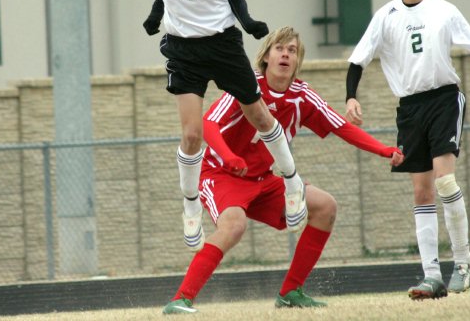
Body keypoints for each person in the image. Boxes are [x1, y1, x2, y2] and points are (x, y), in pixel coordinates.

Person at [162, 26, 404, 314]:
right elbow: (208, 124)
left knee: (325, 206)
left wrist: (384, 149)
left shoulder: (302, 95)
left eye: (292, 50)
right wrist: (227, 157)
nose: (285, 54)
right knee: (234, 225)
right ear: (266, 56)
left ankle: (291, 292)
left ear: (297, 60)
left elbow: (341, 126)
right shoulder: (246, 83)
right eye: (280, 48)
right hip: (220, 174)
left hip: (263, 180)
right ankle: (181, 299)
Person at [144, 0, 307, 252]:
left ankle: (292, 180)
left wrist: (249, 24)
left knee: (261, 117)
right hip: (184, 51)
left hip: (222, 43)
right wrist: (155, 17)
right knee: (190, 135)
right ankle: (189, 206)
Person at [344, 0, 470, 300]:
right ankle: (432, 276)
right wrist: (351, 96)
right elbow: (357, 61)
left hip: (443, 98)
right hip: (410, 108)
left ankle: (462, 262)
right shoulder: (386, 15)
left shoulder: (444, 10)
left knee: (444, 181)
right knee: (421, 191)